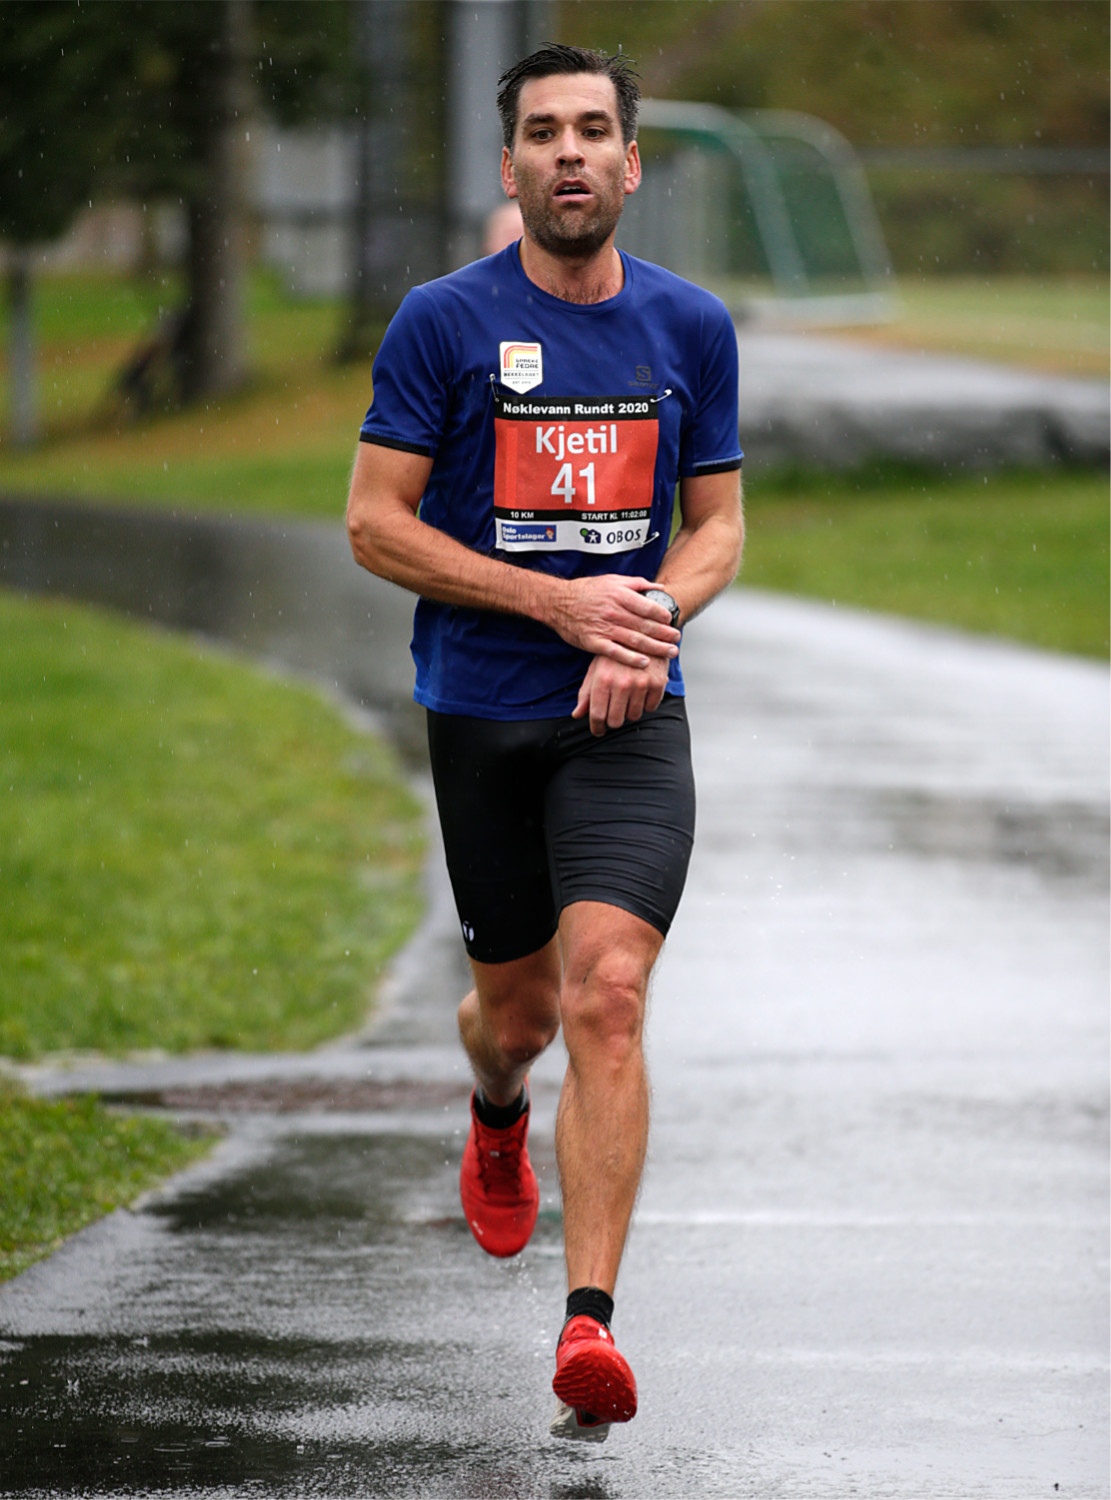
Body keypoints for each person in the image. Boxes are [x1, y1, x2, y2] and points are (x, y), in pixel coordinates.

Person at [346, 43, 743, 1442]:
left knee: (609, 995)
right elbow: (374, 524)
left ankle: (590, 1325)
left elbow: (717, 528)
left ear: (631, 163)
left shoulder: (691, 325)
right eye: (542, 133)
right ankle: (495, 1105)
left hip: (627, 717)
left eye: (591, 131)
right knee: (516, 1020)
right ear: (510, 167)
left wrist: (648, 622)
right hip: (483, 709)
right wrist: (555, 603)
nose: (568, 152)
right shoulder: (443, 322)